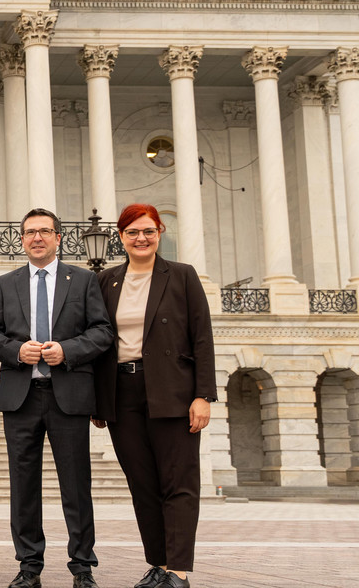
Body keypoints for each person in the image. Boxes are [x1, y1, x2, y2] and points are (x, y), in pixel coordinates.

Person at [0, 208, 114, 588]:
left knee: (76, 483)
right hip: (21, 396)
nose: (36, 238)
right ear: (22, 239)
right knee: (23, 485)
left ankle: (82, 565)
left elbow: (102, 331)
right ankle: (28, 565)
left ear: (58, 237)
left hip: (68, 394)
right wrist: (16, 351)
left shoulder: (84, 280)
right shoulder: (7, 283)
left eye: (44, 231)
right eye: (29, 232)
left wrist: (67, 351)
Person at [92, 204, 217, 588]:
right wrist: (98, 401)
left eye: (147, 231)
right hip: (122, 392)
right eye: (132, 232)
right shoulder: (107, 281)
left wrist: (203, 396)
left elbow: (202, 337)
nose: (141, 238)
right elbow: (99, 342)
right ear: (121, 237)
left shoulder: (181, 276)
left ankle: (178, 570)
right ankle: (159, 564)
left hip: (172, 391)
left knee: (178, 482)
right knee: (142, 483)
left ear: (159, 232)